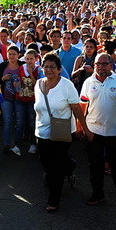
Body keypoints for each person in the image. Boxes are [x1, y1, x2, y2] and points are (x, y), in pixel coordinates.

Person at [34, 53, 89, 212]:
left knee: (55, 167)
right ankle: (69, 166)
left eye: (53, 67)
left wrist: (83, 127)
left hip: (62, 131)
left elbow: (77, 108)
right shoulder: (38, 84)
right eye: (46, 66)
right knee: (45, 162)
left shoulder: (66, 85)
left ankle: (54, 200)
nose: (49, 69)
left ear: (59, 69)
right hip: (42, 131)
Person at [80, 53, 116, 205]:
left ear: (111, 65)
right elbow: (83, 105)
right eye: (98, 64)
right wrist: (80, 126)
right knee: (95, 165)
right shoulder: (88, 82)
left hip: (114, 130)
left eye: (104, 64)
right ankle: (98, 194)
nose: (100, 67)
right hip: (93, 130)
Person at [0, 45, 24, 155]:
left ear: (18, 55)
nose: (11, 56)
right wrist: (3, 79)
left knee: (19, 122)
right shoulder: (3, 66)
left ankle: (17, 144)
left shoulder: (22, 66)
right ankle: (7, 144)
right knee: (7, 121)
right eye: (9, 54)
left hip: (19, 97)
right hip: (5, 98)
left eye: (14, 54)